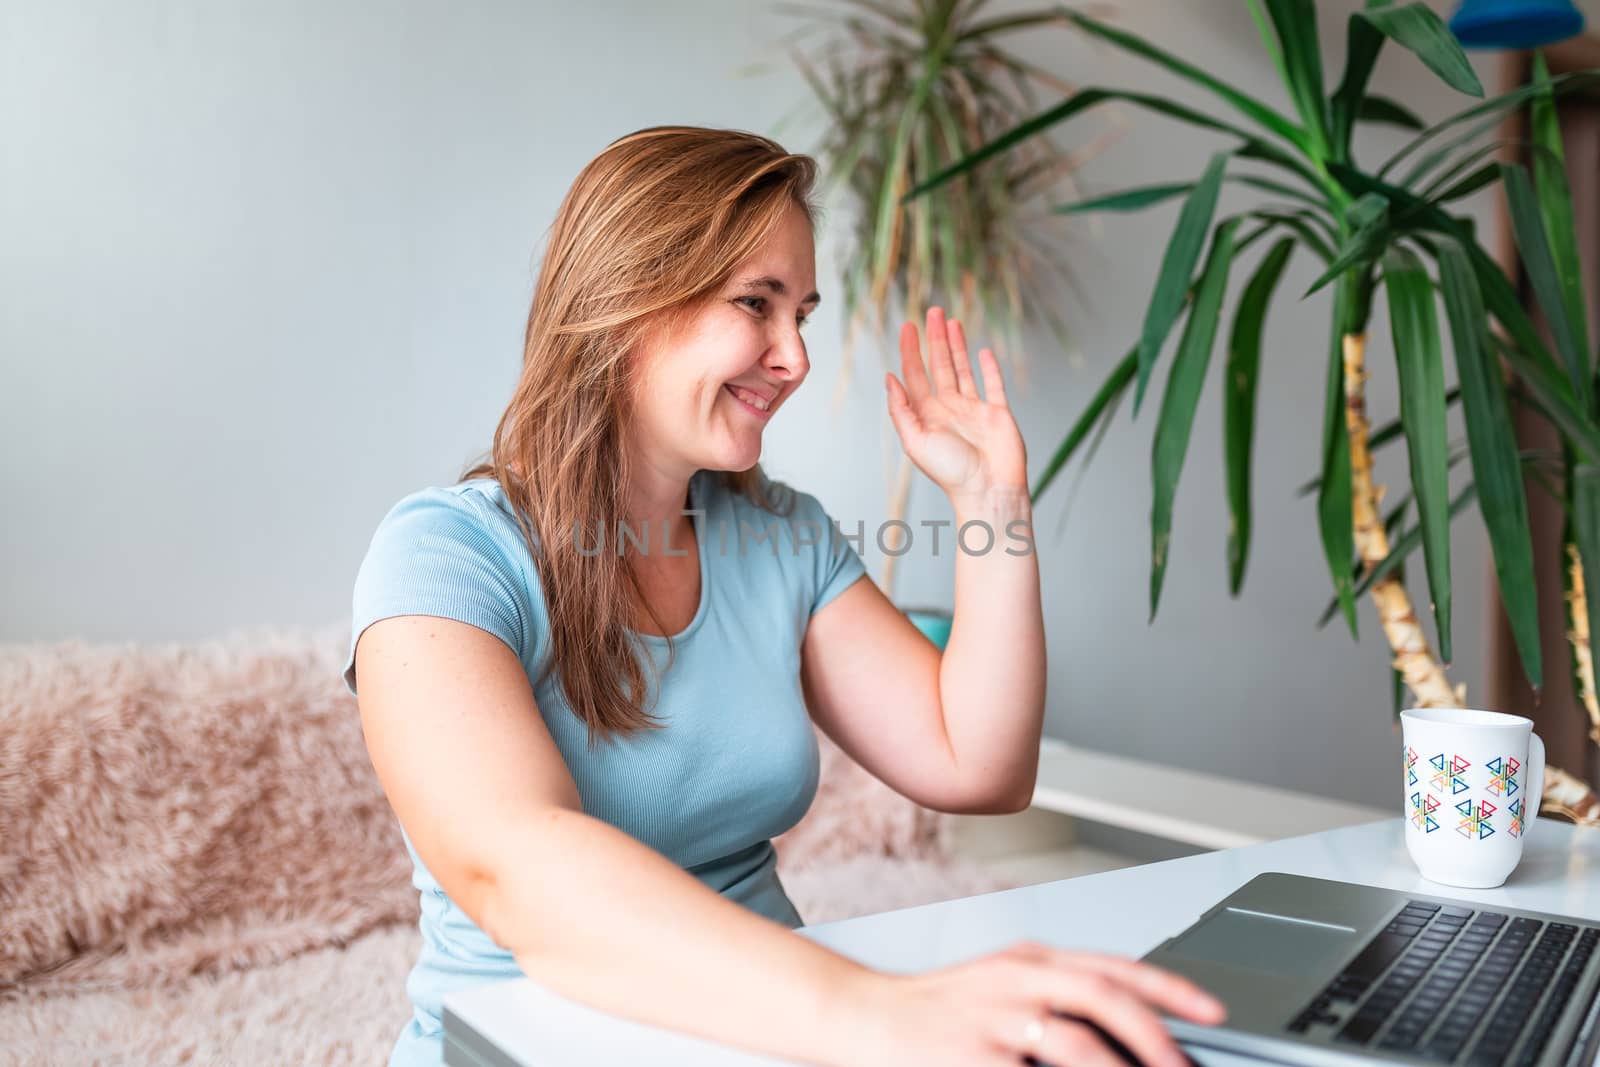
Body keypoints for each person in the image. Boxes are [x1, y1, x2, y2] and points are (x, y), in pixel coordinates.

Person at [342, 125, 1227, 1067]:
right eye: (756, 304)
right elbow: (515, 867)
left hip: (778, 1039)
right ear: (627, 300)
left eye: (800, 312)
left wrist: (991, 502)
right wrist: (876, 1014)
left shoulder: (781, 536)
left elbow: (980, 766)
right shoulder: (445, 556)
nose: (795, 356)